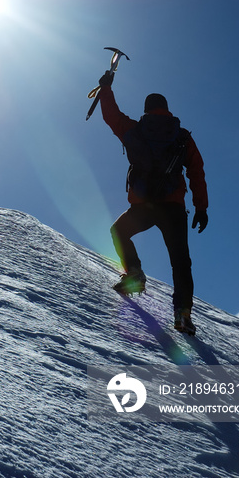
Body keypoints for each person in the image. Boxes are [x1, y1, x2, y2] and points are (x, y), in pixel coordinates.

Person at [98, 70, 208, 335]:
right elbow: (196, 170)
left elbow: (111, 117)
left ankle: (134, 273)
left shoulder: (135, 130)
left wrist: (106, 89)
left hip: (144, 205)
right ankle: (182, 314)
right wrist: (201, 207)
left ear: (147, 109)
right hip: (173, 206)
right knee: (180, 260)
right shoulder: (182, 137)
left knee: (119, 231)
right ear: (166, 110)